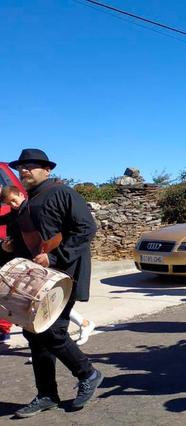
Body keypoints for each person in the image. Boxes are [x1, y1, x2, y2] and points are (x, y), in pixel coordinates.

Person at [7, 148, 102, 418]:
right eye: (21, 167)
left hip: (64, 275)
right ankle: (47, 394)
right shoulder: (26, 202)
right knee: (34, 335)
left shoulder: (63, 193)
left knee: (53, 332)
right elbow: (21, 241)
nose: (23, 170)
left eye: (30, 165)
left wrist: (55, 256)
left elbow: (86, 228)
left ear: (47, 170)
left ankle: (88, 373)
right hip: (37, 280)